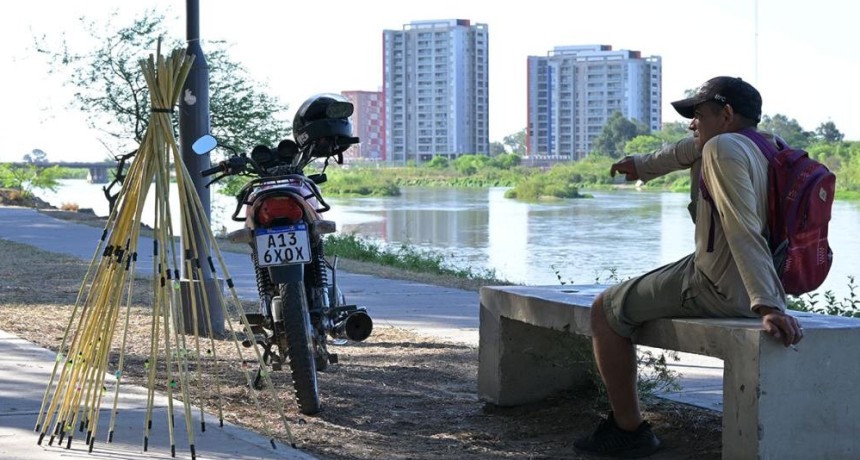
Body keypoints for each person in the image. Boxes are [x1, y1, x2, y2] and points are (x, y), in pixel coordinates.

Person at [573, 76, 805, 458]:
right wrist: (641, 165)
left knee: (604, 310)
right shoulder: (769, 145)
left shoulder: (722, 148)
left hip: (721, 287)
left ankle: (628, 430)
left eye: (698, 115)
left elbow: (741, 227)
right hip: (755, 280)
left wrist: (767, 306)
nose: (692, 124)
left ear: (726, 115)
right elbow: (684, 150)